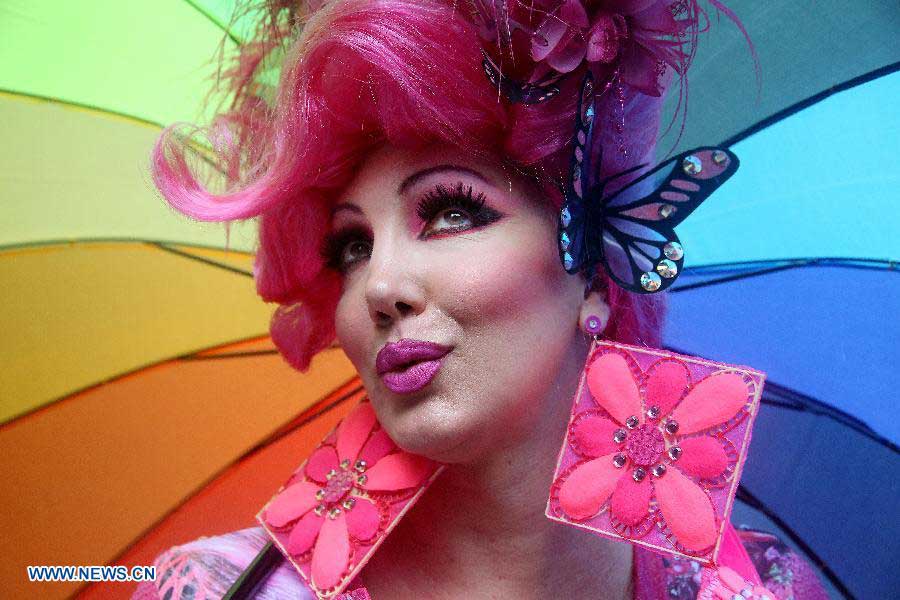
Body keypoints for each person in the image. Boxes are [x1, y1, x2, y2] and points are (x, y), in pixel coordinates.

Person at [135, 0, 829, 598]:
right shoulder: (215, 589)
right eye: (351, 246)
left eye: (452, 213)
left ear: (592, 277)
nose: (379, 286)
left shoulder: (759, 584)